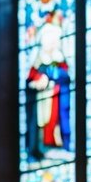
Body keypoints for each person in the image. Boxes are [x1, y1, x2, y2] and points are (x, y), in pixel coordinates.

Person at [26, 17, 71, 159]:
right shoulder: (38, 62)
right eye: (47, 39)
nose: (50, 43)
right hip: (42, 101)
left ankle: (58, 145)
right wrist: (38, 81)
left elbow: (66, 76)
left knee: (55, 122)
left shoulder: (59, 60)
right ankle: (40, 147)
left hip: (56, 99)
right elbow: (30, 79)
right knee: (42, 124)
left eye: (53, 40)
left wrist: (53, 77)